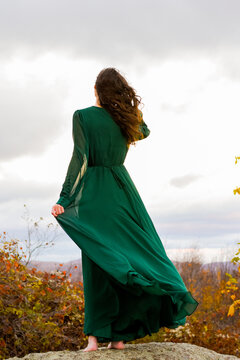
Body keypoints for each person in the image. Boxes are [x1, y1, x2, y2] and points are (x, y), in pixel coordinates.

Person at [51, 67, 199, 352]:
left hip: (94, 195)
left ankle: (94, 339)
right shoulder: (126, 120)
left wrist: (65, 198)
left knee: (98, 260)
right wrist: (129, 107)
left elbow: (79, 158)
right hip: (123, 192)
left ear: (96, 91)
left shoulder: (83, 116)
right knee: (130, 256)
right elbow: (144, 131)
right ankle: (119, 337)